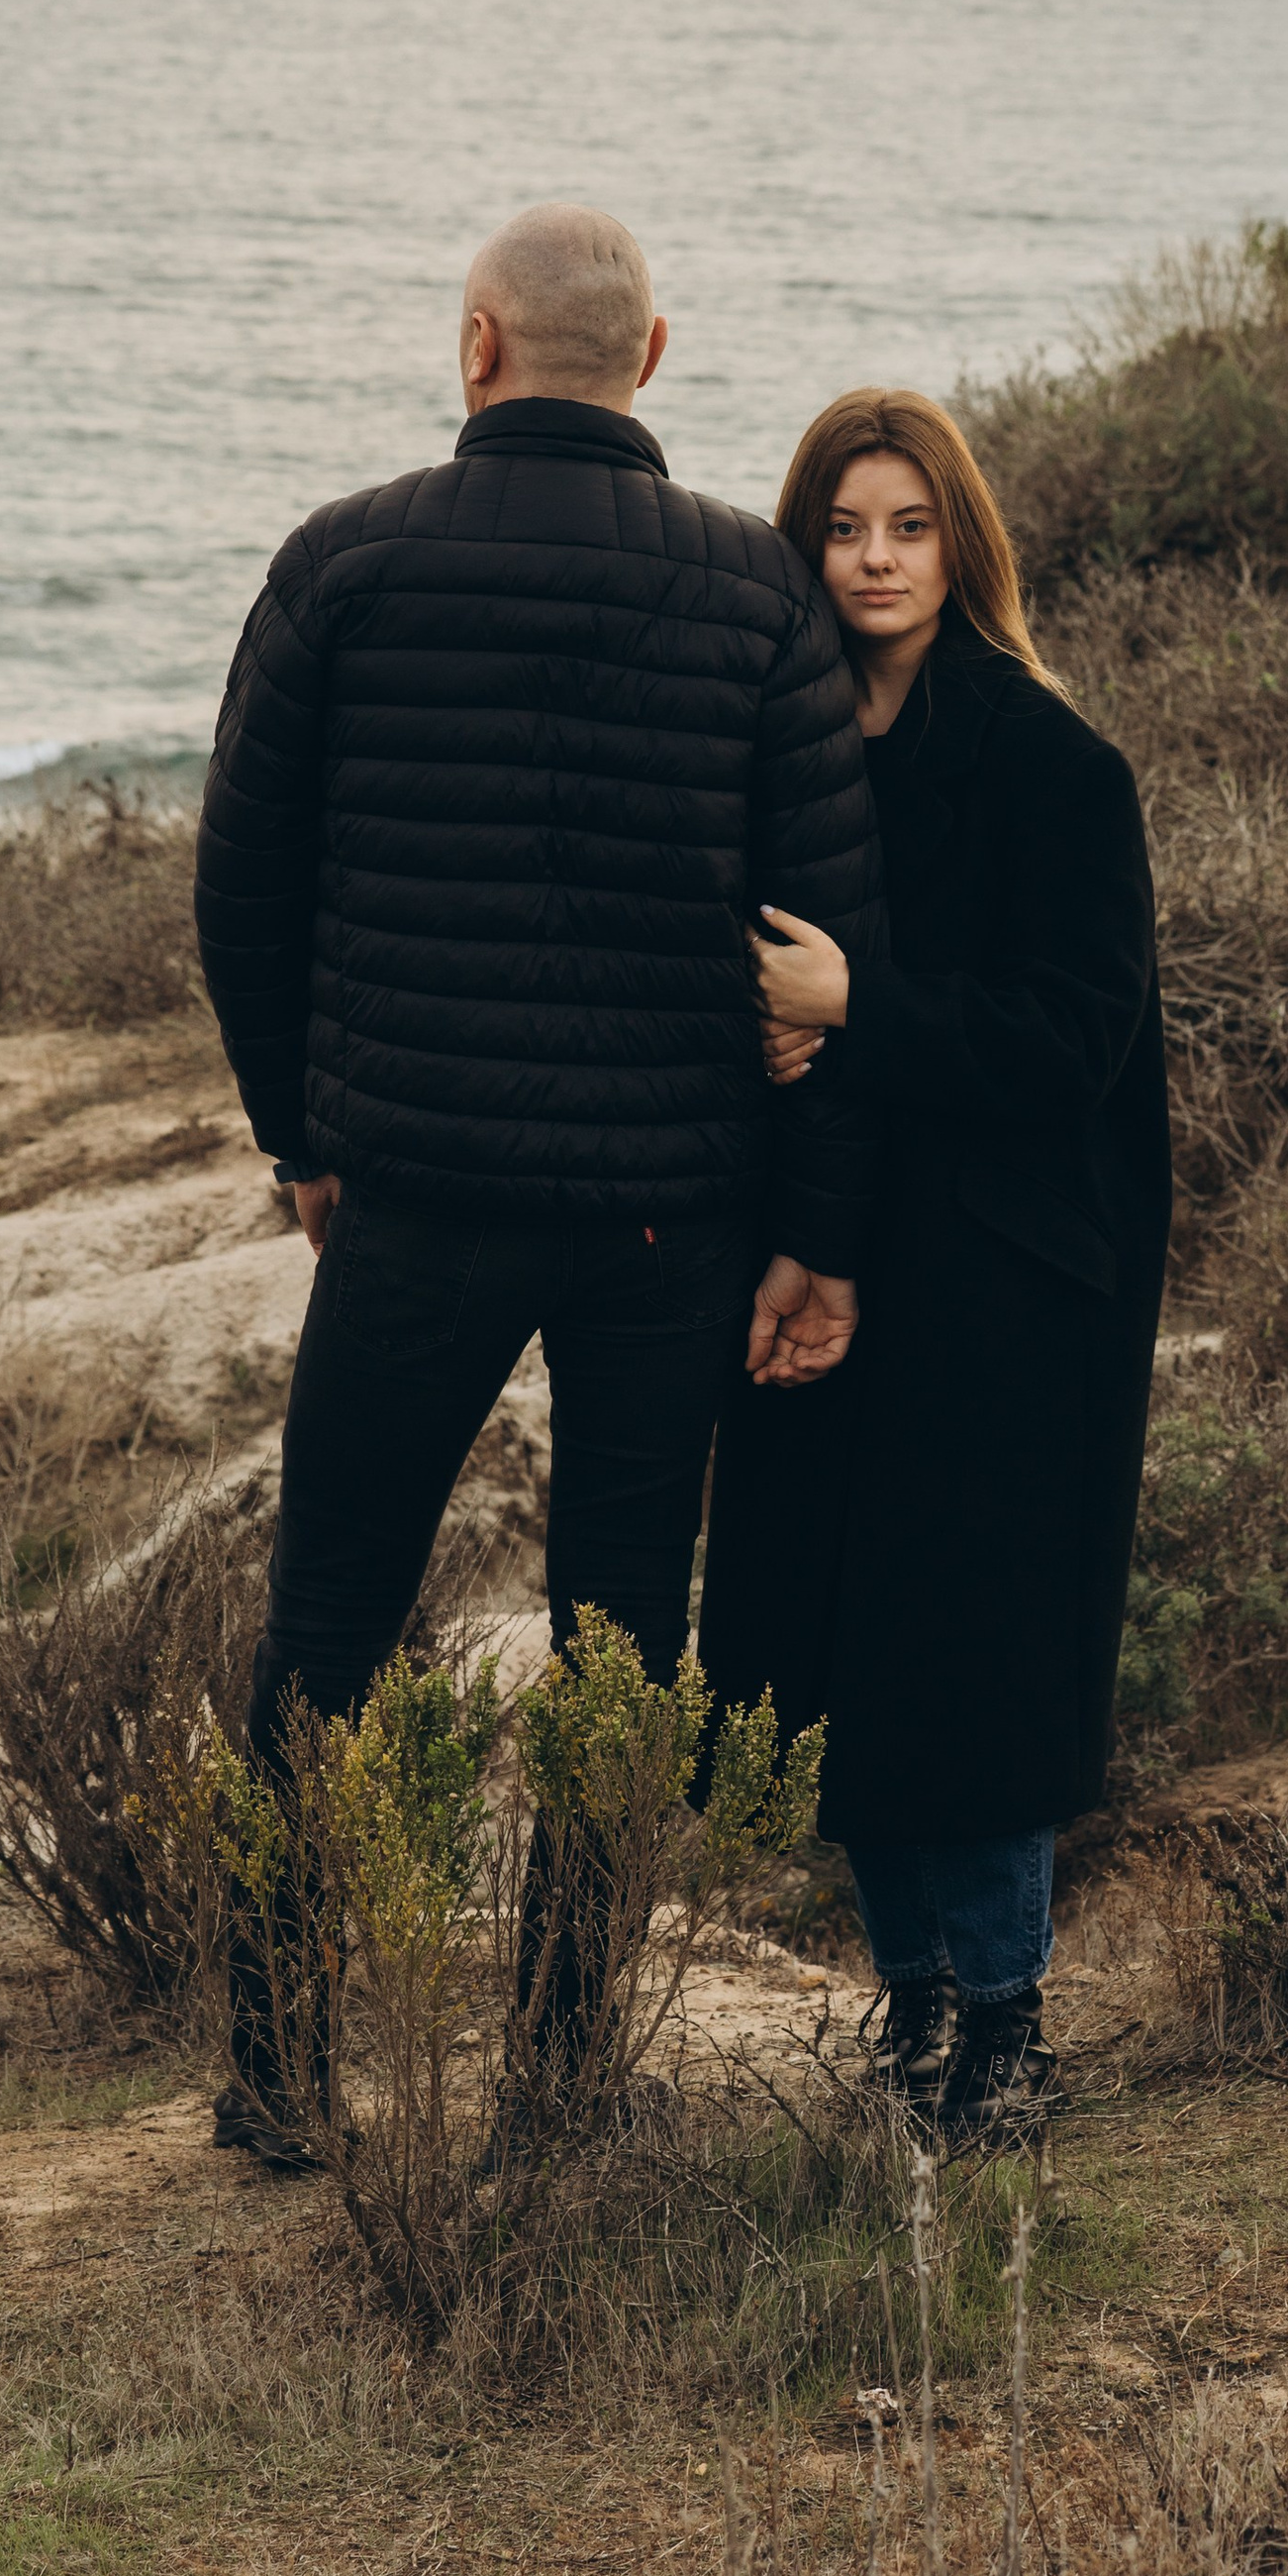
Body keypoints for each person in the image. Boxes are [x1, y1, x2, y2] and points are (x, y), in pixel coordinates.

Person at [194, 203, 882, 2165]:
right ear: (646, 359)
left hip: (408, 1196)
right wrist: (816, 1232)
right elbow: (822, 943)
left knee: (326, 1619)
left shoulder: (345, 561)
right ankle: (564, 2070)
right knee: (616, 1638)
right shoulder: (760, 601)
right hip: (673, 1216)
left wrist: (299, 1138)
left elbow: (241, 886)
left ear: (478, 345)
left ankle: (274, 2071)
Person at [697, 388, 1170, 2145]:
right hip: (830, 1262)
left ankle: (1009, 2030)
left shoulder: (1054, 761)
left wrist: (853, 1013)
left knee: (975, 1651)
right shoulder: (795, 747)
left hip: (1015, 1282)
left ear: (959, 541)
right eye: (842, 527)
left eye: (907, 526)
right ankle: (912, 2011)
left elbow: (1077, 1036)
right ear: (802, 543)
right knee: (844, 1648)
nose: (875, 560)